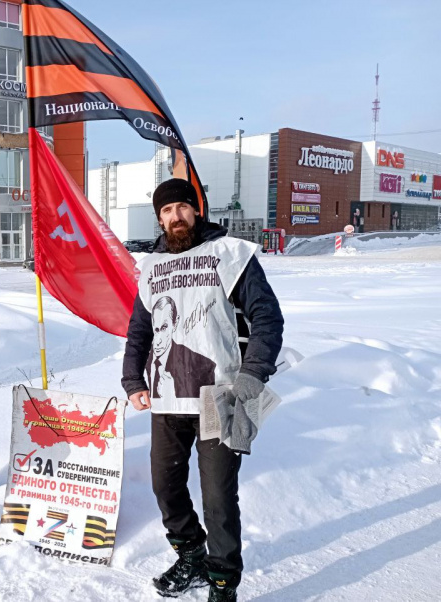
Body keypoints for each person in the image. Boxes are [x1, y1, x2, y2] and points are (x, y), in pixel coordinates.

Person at [122, 179, 284, 601]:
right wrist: (132, 380)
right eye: (166, 211)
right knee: (165, 486)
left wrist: (253, 373)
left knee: (217, 498)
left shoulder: (229, 255)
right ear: (158, 218)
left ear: (196, 210)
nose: (175, 217)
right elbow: (138, 332)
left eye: (182, 207)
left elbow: (267, 318)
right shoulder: (151, 269)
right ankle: (191, 553)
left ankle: (223, 581)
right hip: (166, 400)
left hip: (220, 396)